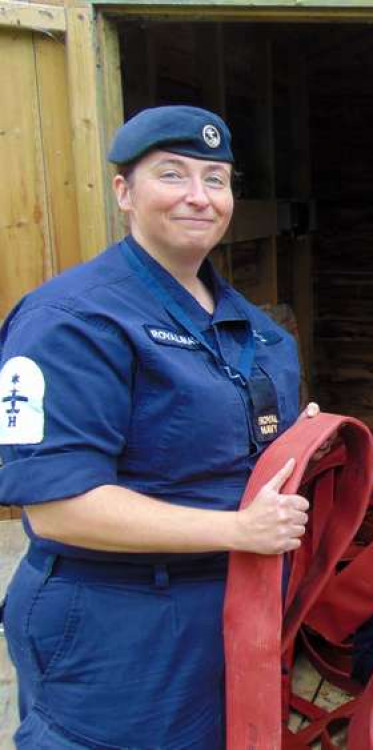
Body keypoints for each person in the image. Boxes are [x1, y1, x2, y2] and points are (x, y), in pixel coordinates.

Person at [0, 106, 313, 749]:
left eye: (216, 179)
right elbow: (60, 508)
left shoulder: (258, 329)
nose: (199, 197)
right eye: (173, 175)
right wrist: (239, 530)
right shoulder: (72, 319)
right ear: (124, 192)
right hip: (118, 626)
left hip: (229, 609)